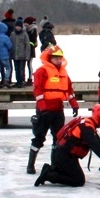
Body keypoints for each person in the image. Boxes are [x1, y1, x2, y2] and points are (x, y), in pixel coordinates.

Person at [34, 104, 100, 187]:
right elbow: (96, 147)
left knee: (74, 175)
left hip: (66, 155)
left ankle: (49, 169)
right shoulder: (87, 129)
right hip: (64, 156)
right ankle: (48, 175)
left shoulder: (89, 124)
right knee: (78, 181)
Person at [27, 46, 80, 174]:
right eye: (55, 58)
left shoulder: (64, 73)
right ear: (50, 58)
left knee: (58, 138)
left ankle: (55, 164)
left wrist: (74, 104)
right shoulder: (42, 71)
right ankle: (30, 165)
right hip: (44, 111)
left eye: (59, 58)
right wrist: (43, 108)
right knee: (39, 138)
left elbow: (69, 90)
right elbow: (38, 90)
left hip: (58, 110)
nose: (58, 60)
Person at [11, 19, 31, 88]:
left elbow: (27, 45)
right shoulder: (12, 34)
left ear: (21, 27)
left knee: (21, 69)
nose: (18, 28)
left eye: (19, 26)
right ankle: (18, 81)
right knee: (16, 69)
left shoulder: (25, 34)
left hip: (22, 55)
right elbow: (11, 44)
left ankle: (22, 81)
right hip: (15, 55)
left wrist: (27, 56)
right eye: (16, 26)